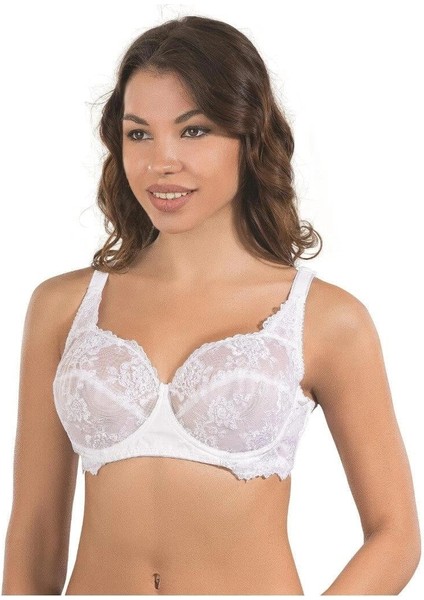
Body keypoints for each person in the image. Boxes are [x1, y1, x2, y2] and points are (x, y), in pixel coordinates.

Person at [2, 15, 420, 596]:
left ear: (250, 137)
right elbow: (35, 530)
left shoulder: (325, 319)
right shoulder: (63, 306)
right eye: (139, 134)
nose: (161, 161)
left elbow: (396, 535)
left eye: (193, 131)